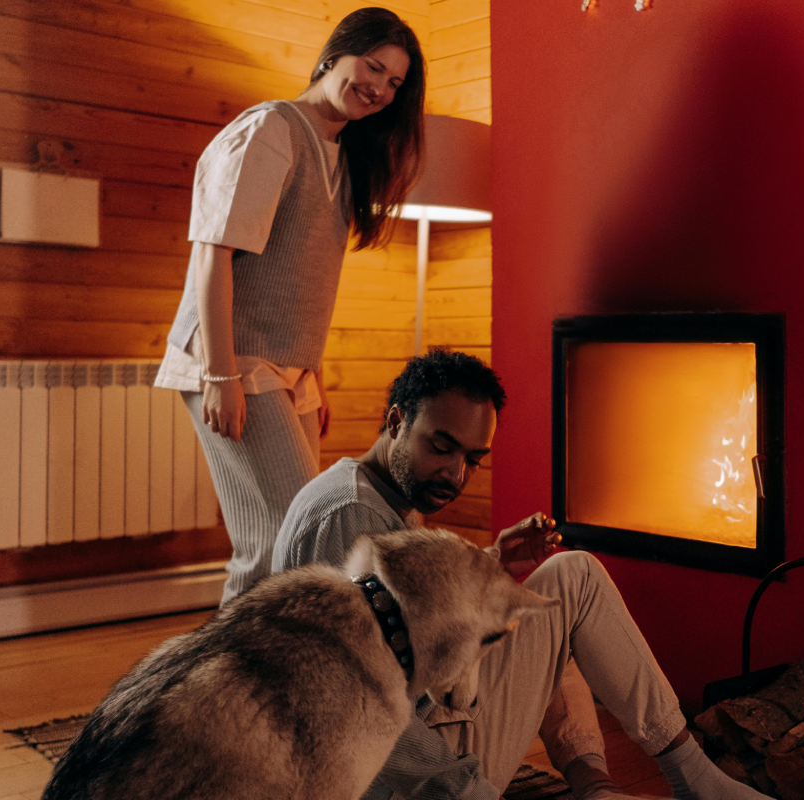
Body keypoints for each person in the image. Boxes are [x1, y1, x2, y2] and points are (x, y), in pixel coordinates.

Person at [273, 350, 772, 800]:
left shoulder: (374, 494)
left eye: (472, 459)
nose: (455, 473)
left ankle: (601, 785)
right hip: (388, 778)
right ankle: (692, 780)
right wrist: (466, 788)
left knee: (548, 601)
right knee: (572, 581)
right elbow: (357, 707)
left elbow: (412, 630)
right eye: (442, 446)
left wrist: (493, 562)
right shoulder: (350, 518)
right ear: (396, 421)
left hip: (415, 733)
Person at [154, 8, 426, 603]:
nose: (379, 87)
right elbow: (213, 255)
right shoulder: (272, 129)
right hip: (234, 359)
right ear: (336, 54)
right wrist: (220, 373)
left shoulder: (342, 154)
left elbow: (297, 278)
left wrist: (313, 374)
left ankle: (262, 689)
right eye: (372, 66)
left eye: (395, 82)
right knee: (283, 537)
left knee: (287, 546)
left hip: (288, 370)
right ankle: (216, 687)